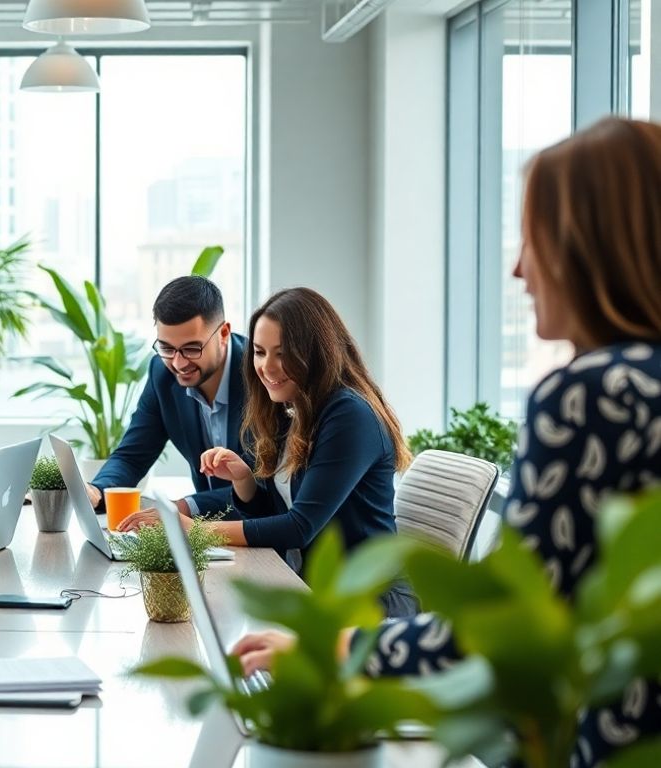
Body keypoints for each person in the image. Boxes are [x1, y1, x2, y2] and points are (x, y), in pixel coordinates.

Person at [231, 117, 661, 764]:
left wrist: (335, 647)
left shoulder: (590, 395)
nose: (518, 268)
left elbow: (511, 622)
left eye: (534, 240)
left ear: (592, 249)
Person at [123, 288, 418, 618]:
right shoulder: (293, 408)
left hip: (369, 601)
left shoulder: (349, 415)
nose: (267, 367)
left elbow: (299, 526)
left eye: (283, 353)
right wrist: (245, 481)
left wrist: (191, 528)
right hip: (313, 588)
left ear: (315, 352)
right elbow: (272, 513)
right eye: (260, 352)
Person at [87, 276, 249, 518]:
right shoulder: (162, 375)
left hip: (263, 535)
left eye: (192, 348)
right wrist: (97, 491)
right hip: (206, 534)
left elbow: (262, 486)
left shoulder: (260, 375)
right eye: (166, 348)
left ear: (223, 333)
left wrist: (179, 508)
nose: (178, 363)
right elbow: (132, 457)